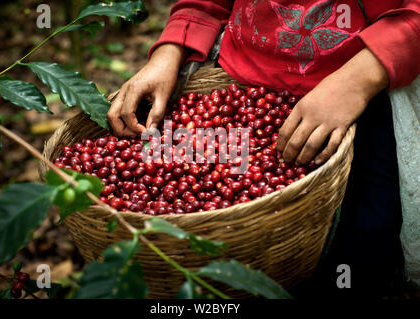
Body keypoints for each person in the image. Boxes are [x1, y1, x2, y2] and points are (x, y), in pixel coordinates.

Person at [107, 0, 420, 297]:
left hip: (361, 99)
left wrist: (357, 81)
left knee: (361, 245)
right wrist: (170, 49)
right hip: (238, 85)